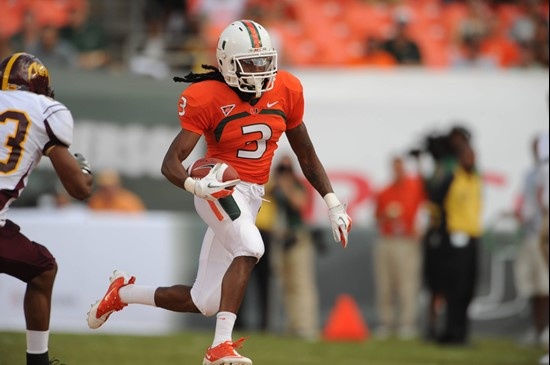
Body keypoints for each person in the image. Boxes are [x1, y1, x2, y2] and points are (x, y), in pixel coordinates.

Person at [87, 20, 352, 365]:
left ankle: (121, 292)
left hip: (253, 196)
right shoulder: (206, 96)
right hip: (219, 187)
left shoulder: (286, 89)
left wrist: (332, 202)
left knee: (204, 302)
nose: (260, 71)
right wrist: (196, 186)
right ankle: (219, 347)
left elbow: (306, 155)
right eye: (251, 64)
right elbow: (171, 163)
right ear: (228, 64)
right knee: (252, 245)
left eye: (265, 61)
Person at [0, 52, 93, 365]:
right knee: (42, 269)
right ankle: (37, 361)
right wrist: (85, 171)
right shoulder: (44, 110)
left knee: (42, 268)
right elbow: (79, 190)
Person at [374, 156, 424, 340]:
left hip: (407, 240)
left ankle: (407, 323)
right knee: (386, 283)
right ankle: (386, 322)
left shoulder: (414, 187)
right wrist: (386, 215)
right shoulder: (385, 191)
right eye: (395, 168)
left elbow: (425, 208)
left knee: (407, 283)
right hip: (387, 239)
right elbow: (377, 217)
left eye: (400, 168)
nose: (398, 171)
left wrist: (420, 226)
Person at [272, 155, 320, 340]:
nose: (284, 173)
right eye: (281, 169)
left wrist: (286, 185)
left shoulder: (297, 184)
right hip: (281, 238)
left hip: (297, 237)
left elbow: (299, 202)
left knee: (301, 282)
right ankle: (292, 324)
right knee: (286, 284)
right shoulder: (272, 187)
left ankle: (306, 325)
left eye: (287, 169)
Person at [515, 137, 549, 347]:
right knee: (532, 286)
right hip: (529, 234)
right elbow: (524, 201)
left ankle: (545, 329)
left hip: (543, 231)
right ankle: (537, 329)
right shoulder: (529, 174)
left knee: (545, 284)